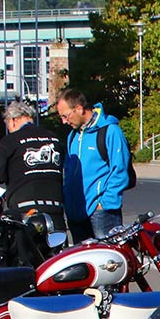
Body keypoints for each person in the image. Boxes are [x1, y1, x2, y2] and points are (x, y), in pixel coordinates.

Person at [0, 99, 66, 263]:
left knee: (22, 268)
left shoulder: (10, 142)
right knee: (56, 266)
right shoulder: (55, 140)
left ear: (13, 120)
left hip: (24, 215)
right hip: (55, 214)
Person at [56, 88, 131, 242]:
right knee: (83, 264)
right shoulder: (73, 135)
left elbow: (120, 172)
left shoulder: (110, 131)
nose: (64, 121)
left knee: (108, 263)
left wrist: (104, 204)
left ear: (79, 108)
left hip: (102, 214)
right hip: (76, 215)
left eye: (65, 116)